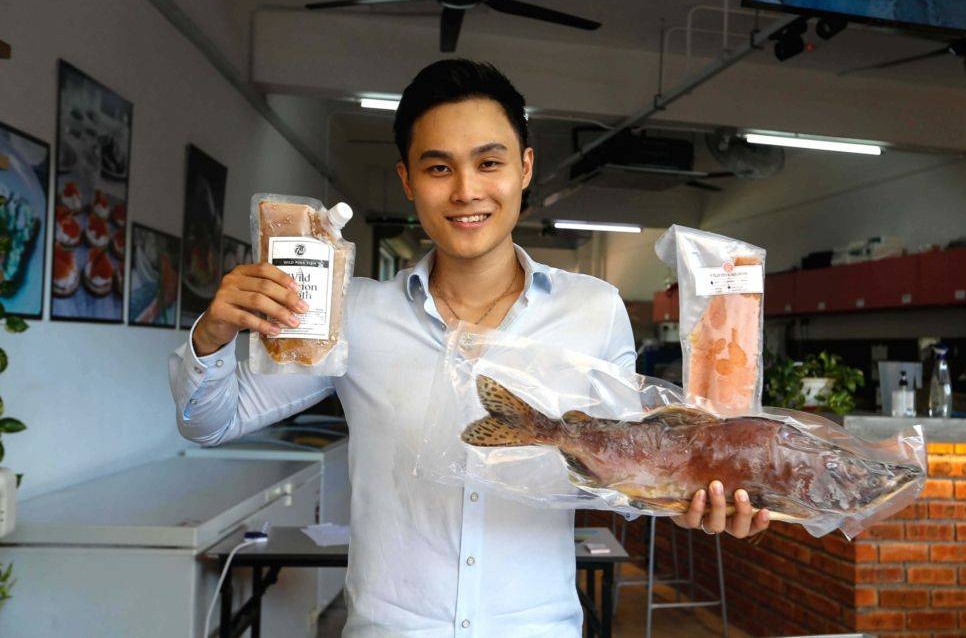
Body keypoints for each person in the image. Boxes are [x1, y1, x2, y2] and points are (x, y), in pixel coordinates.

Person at [169, 59, 769, 637]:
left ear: (526, 168)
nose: (466, 191)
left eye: (489, 162)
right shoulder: (351, 312)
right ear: (407, 180)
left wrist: (697, 493)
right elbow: (208, 422)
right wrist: (213, 335)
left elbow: (625, 464)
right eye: (438, 169)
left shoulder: (593, 309)